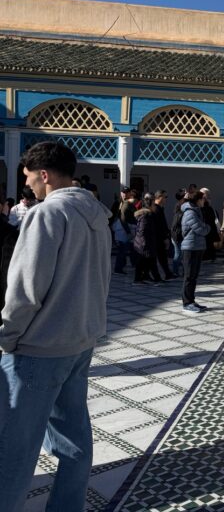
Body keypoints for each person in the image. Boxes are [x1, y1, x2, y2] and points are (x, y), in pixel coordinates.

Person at [0, 141, 112, 511]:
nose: (28, 185)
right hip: (80, 339)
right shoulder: (96, 213)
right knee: (73, 434)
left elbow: (25, 289)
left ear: (44, 175)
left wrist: (8, 336)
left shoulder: (46, 215)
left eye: (29, 177)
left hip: (40, 347)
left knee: (14, 446)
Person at [180, 190, 210, 313]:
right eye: (203, 199)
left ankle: (191, 301)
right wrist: (207, 227)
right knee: (189, 276)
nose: (205, 201)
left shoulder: (196, 212)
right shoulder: (190, 213)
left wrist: (205, 227)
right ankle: (187, 303)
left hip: (196, 247)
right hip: (190, 248)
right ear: (198, 200)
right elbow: (202, 230)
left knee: (193, 276)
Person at [133, 193, 164, 285]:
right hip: (144, 244)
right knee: (150, 262)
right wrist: (145, 244)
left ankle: (140, 279)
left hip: (143, 243)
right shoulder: (147, 216)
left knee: (143, 262)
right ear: (150, 205)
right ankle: (156, 279)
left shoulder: (147, 215)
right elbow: (143, 231)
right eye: (154, 205)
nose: (155, 207)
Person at [153, 190, 177, 280]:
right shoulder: (156, 209)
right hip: (158, 238)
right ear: (159, 197)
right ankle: (160, 275)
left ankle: (167, 273)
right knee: (158, 257)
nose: (166, 199)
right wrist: (165, 238)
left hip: (159, 237)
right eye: (165, 197)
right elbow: (160, 226)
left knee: (162, 257)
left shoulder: (159, 208)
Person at [199, 188, 220, 262]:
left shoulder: (210, 208)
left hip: (209, 231)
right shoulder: (199, 208)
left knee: (209, 244)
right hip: (204, 230)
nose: (206, 197)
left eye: (207, 195)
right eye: (205, 195)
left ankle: (210, 256)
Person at [170, 188, 188, 277]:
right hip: (177, 235)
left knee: (180, 255)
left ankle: (180, 271)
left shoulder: (180, 206)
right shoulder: (180, 209)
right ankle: (175, 271)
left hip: (177, 235)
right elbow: (176, 226)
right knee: (178, 255)